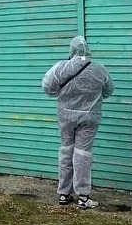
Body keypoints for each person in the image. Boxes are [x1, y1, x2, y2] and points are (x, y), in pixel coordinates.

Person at [42, 35, 114, 210]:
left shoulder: (61, 67)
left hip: (65, 116)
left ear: (71, 50)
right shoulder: (99, 70)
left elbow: (47, 87)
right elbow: (108, 90)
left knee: (66, 151)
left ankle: (64, 193)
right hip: (89, 117)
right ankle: (83, 196)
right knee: (83, 154)